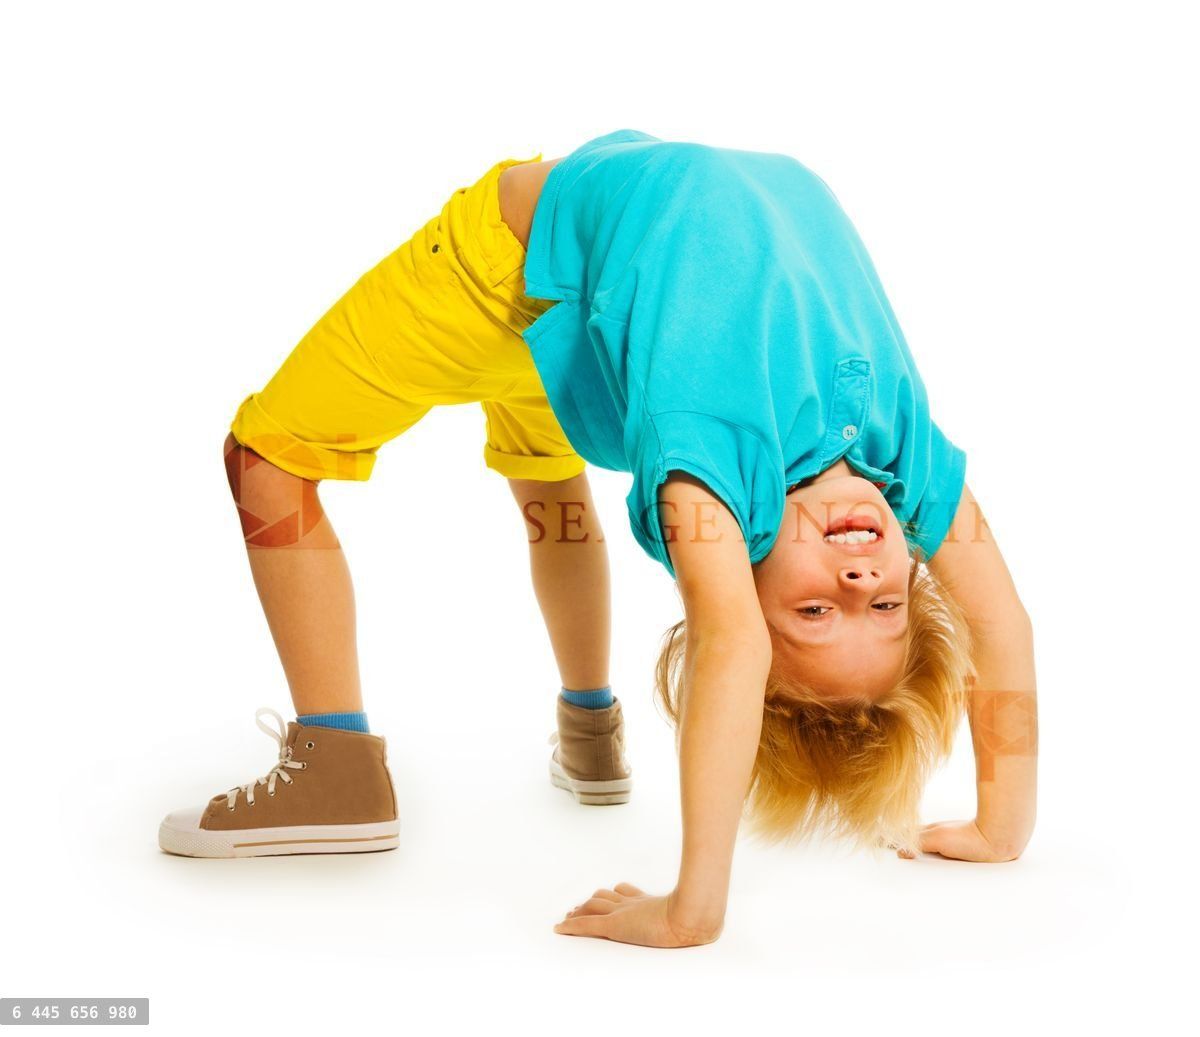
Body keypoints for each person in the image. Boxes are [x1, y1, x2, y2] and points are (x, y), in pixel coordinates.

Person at [158, 129, 1037, 948]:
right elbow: (1001, 624)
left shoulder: (708, 470)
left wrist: (695, 907)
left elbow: (729, 644)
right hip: (582, 321)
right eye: (884, 601)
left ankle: (335, 764)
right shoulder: (903, 458)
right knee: (544, 475)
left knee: (266, 455)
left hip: (496, 275)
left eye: (814, 608)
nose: (858, 574)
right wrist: (1004, 826)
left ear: (739, 562)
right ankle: (589, 729)